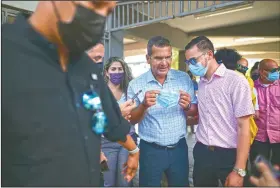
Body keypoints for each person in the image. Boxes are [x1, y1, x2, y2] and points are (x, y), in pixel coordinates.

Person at [2, 1, 139, 186]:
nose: (99, 17)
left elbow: (107, 120)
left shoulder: (87, 69)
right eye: (96, 3)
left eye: (108, 11)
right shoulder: (6, 55)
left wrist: (133, 151)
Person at [127, 36, 198, 187]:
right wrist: (144, 106)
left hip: (178, 148)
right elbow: (132, 119)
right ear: (148, 58)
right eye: (158, 58)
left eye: (168, 57)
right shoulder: (136, 84)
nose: (164, 63)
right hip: (150, 150)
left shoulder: (184, 79)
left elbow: (193, 111)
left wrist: (187, 106)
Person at [185, 36, 254, 187]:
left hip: (228, 155)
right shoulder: (201, 82)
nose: (190, 66)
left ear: (209, 54)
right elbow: (206, 116)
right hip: (202, 153)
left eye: (193, 61)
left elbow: (244, 127)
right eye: (187, 62)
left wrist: (239, 169)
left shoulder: (235, 81)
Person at [101, 57, 138, 187]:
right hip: (105, 143)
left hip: (127, 141)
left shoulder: (130, 91)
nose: (117, 72)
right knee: (108, 182)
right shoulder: (100, 91)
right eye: (113, 69)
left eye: (120, 69)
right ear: (106, 72)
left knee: (125, 182)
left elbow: (136, 116)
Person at [214, 49, 259, 144]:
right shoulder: (211, 80)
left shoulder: (241, 81)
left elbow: (244, 119)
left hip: (235, 137)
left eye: (245, 67)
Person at [250, 59, 280, 167]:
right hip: (259, 136)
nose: (277, 72)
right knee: (258, 169)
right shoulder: (251, 87)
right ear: (262, 72)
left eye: (278, 69)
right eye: (274, 70)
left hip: (278, 135)